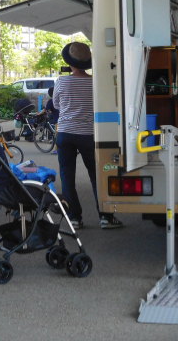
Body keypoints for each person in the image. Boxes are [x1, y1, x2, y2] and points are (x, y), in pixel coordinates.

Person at [53, 42, 122, 230]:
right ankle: (106, 217)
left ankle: (74, 217)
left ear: (69, 62)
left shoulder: (61, 81)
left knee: (67, 176)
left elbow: (57, 105)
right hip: (88, 135)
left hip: (65, 133)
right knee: (96, 175)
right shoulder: (95, 82)